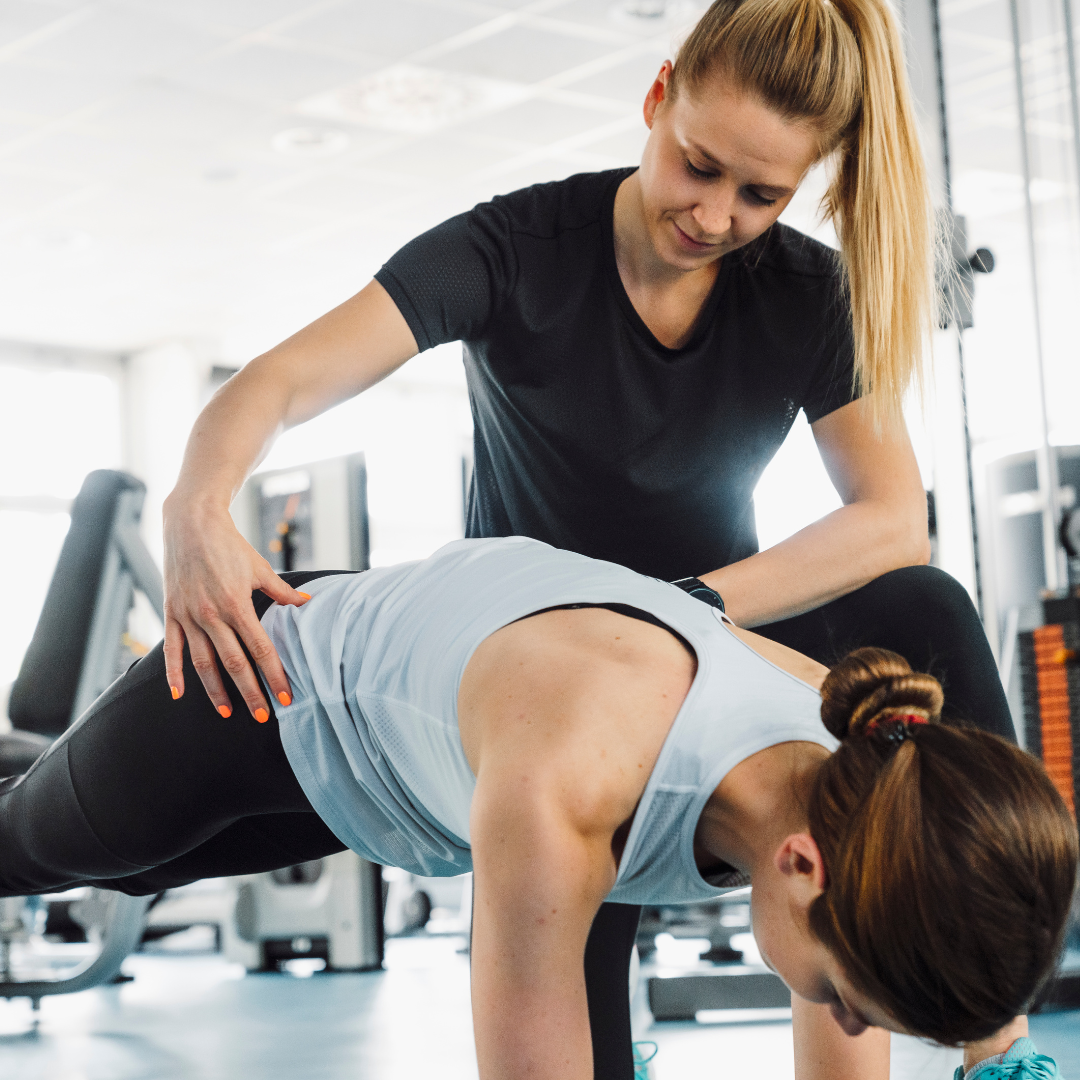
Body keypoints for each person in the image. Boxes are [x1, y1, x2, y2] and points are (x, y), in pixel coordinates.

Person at [160, 0, 1017, 1077]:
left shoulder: (806, 294)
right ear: (657, 99)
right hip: (554, 686)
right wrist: (195, 505)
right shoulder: (514, 248)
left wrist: (690, 606)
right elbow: (278, 381)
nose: (714, 216)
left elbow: (893, 517)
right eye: (698, 167)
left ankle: (998, 1029)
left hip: (713, 630)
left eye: (762, 195)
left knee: (920, 605)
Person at [1, 539, 1075, 1080]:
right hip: (262, 688)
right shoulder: (577, 780)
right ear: (802, 867)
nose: (842, 1024)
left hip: (399, 785)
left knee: (144, 878)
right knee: (37, 849)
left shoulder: (854, 777)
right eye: (846, 997)